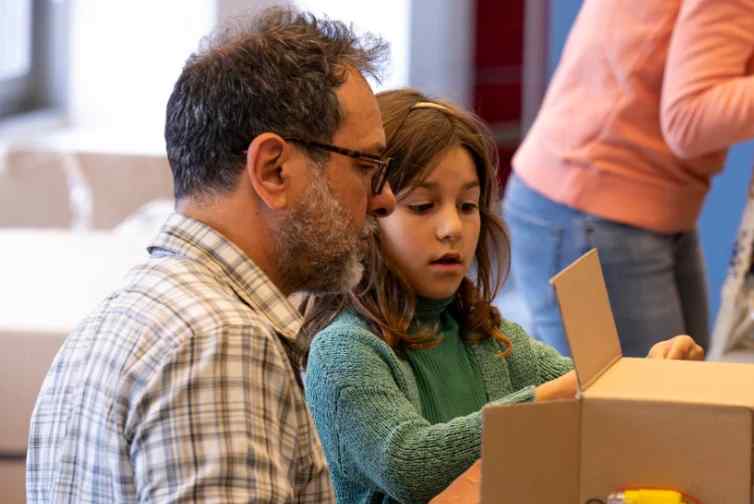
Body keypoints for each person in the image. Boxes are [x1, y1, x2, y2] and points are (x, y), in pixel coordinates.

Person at [26, 7, 397, 503]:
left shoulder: (110, 326)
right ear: (273, 170)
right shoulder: (220, 342)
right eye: (366, 165)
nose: (384, 198)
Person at [301, 89, 704, 504]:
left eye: (467, 206)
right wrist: (555, 398)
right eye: (422, 206)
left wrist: (653, 376)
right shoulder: (342, 351)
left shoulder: (489, 338)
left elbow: (596, 396)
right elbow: (410, 466)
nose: (452, 228)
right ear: (368, 214)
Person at [506, 0, 754, 357]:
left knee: (684, 384)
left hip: (624, 200)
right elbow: (688, 118)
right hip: (595, 207)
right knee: (650, 392)